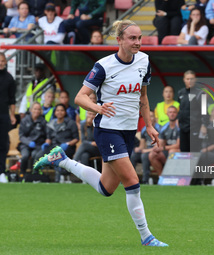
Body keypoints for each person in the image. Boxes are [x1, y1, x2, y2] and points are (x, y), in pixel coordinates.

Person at [33, 20, 168, 247]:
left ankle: (62, 160)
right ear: (119, 40)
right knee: (132, 182)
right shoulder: (103, 66)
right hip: (107, 130)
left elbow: (143, 98)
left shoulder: (144, 61)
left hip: (127, 131)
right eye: (132, 38)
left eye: (139, 38)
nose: (137, 42)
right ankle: (147, 237)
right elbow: (80, 97)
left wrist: (151, 125)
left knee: (107, 188)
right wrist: (97, 108)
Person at [38, 103, 79, 182]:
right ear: (55, 112)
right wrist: (46, 143)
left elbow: (76, 139)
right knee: (39, 154)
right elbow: (49, 138)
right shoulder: (51, 124)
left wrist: (67, 144)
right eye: (57, 110)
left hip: (68, 147)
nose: (59, 112)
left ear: (65, 112)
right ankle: (38, 176)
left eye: (62, 110)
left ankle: (60, 175)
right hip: (54, 146)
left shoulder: (71, 123)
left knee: (59, 154)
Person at [178, 70, 205, 152]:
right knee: (183, 151)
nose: (190, 81)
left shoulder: (201, 93)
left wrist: (204, 125)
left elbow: (204, 111)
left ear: (195, 80)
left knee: (194, 152)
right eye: (188, 79)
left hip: (195, 127)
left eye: (192, 79)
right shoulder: (180, 93)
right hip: (183, 128)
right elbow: (180, 109)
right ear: (184, 79)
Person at [131, 110, 161, 184]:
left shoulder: (160, 128)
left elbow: (159, 146)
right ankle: (131, 180)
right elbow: (142, 146)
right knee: (133, 155)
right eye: (148, 117)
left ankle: (145, 180)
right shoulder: (144, 129)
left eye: (152, 116)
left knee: (144, 155)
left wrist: (145, 151)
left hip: (156, 152)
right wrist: (139, 149)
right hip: (146, 151)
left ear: (155, 118)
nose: (150, 118)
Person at [149, 106, 180, 176]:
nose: (172, 114)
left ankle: (173, 176)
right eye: (170, 112)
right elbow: (160, 143)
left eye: (174, 112)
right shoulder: (164, 127)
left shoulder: (179, 126)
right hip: (167, 151)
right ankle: (162, 177)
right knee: (152, 155)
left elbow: (178, 145)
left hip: (180, 151)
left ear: (177, 114)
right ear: (167, 114)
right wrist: (156, 148)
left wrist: (163, 148)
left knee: (172, 152)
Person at [18, 102, 47, 176]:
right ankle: (22, 173)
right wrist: (28, 142)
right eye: (35, 109)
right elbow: (21, 136)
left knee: (35, 155)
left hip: (38, 145)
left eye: (38, 109)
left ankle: (35, 174)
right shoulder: (25, 120)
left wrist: (45, 143)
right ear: (31, 110)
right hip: (26, 145)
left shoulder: (43, 121)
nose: (37, 111)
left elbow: (47, 135)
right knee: (25, 156)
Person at [0, 52, 16, 183]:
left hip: (3, 115)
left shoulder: (10, 79)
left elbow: (12, 100)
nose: (0, 63)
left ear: (6, 62)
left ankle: (1, 172)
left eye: (2, 61)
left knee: (2, 144)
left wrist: (12, 115)